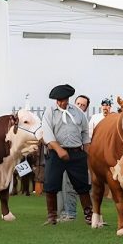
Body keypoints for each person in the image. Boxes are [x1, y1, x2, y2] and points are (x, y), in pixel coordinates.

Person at [41, 84, 93, 225]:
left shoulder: (78, 112)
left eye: (62, 99)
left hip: (76, 153)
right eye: (57, 100)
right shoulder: (49, 112)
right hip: (56, 153)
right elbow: (47, 133)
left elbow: (85, 132)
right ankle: (52, 216)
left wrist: (87, 151)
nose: (60, 102)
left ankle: (89, 215)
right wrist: (59, 149)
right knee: (51, 184)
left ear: (68, 99)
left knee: (82, 185)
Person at [57, 94, 90, 222]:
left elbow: (87, 140)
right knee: (64, 185)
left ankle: (82, 213)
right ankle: (67, 212)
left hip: (79, 155)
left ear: (86, 108)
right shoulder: (64, 116)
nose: (80, 106)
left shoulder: (84, 120)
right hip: (62, 154)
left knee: (80, 187)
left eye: (83, 105)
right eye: (78, 103)